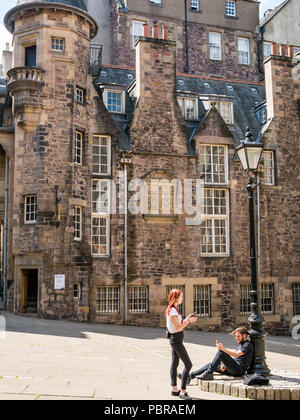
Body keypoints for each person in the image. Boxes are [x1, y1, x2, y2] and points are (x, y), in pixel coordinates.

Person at [181, 326, 254, 383]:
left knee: (221, 353)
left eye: (238, 336)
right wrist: (225, 364)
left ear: (244, 336)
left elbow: (236, 354)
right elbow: (236, 359)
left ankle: (208, 374)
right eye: (236, 336)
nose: (236, 338)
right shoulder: (241, 344)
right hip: (234, 368)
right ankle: (189, 376)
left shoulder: (247, 344)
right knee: (211, 364)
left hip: (239, 370)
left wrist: (222, 349)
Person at [166, 289, 197, 400]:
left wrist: (187, 318)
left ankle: (174, 390)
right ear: (176, 298)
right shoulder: (173, 311)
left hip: (176, 338)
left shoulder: (174, 309)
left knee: (174, 364)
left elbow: (179, 324)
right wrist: (189, 322)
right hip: (176, 340)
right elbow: (178, 327)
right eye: (181, 296)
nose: (182, 298)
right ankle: (183, 392)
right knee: (188, 365)